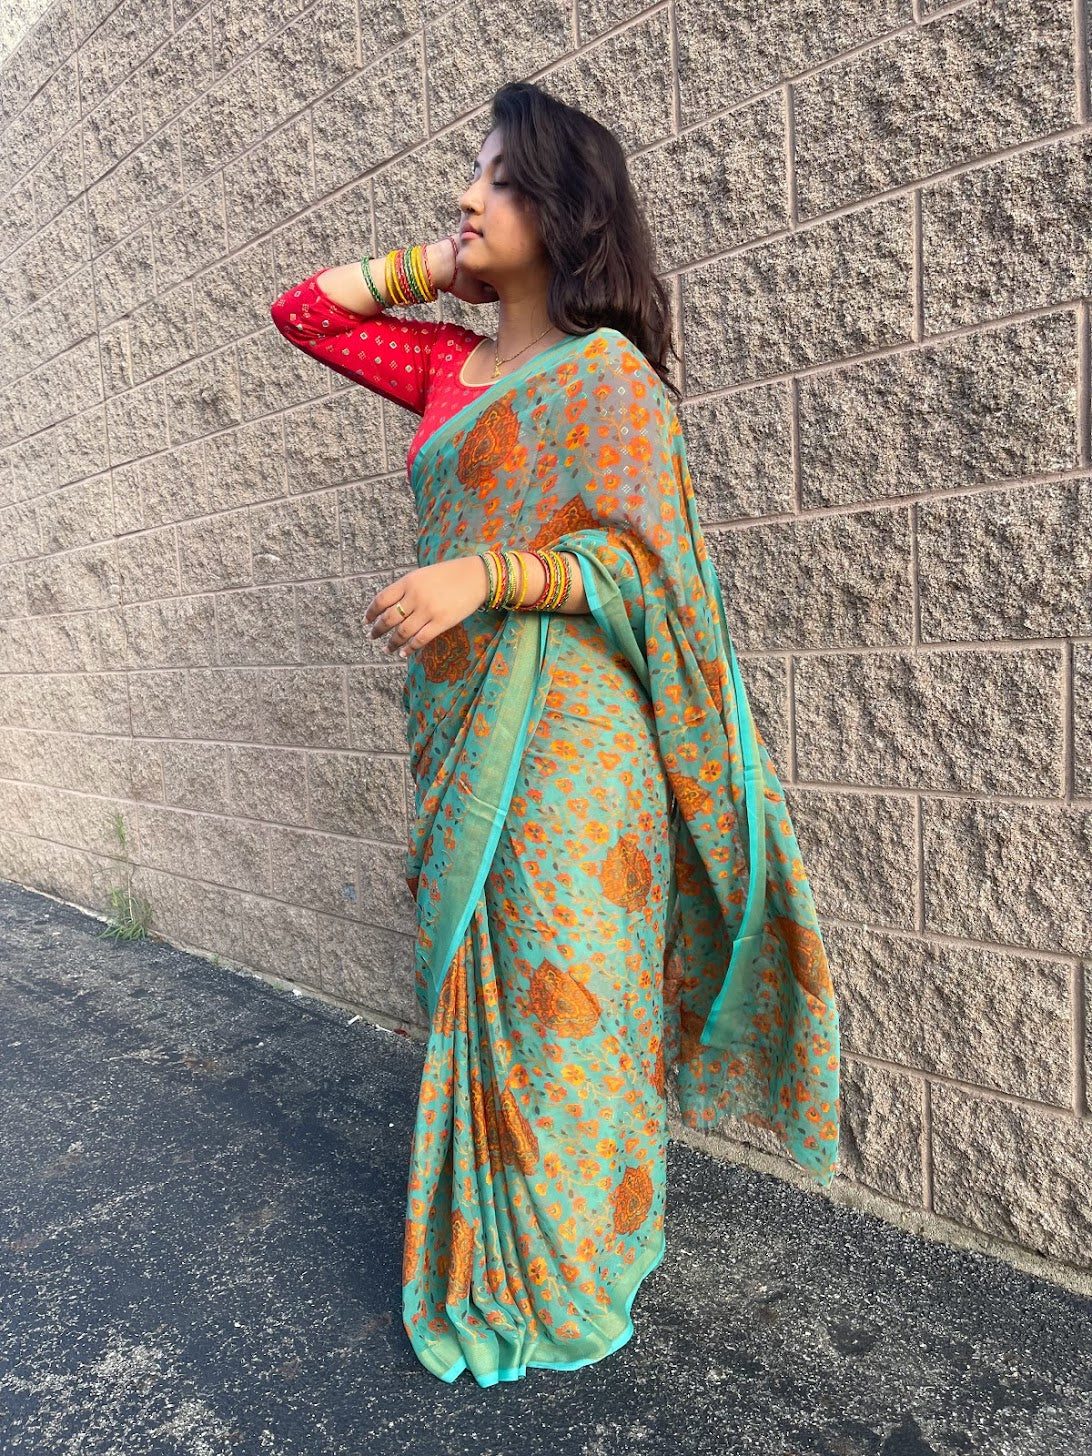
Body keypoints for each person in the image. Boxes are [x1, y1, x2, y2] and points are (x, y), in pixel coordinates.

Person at [270, 79, 841, 1388]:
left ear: (565, 208)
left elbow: (651, 574)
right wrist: (445, 267)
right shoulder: (444, 368)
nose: (467, 196)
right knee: (489, 995)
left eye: (499, 179)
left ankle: (579, 1261)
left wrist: (491, 574)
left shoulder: (610, 379)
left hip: (579, 751)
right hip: (463, 727)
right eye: (471, 176)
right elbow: (302, 312)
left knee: (572, 1001)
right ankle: (500, 1253)